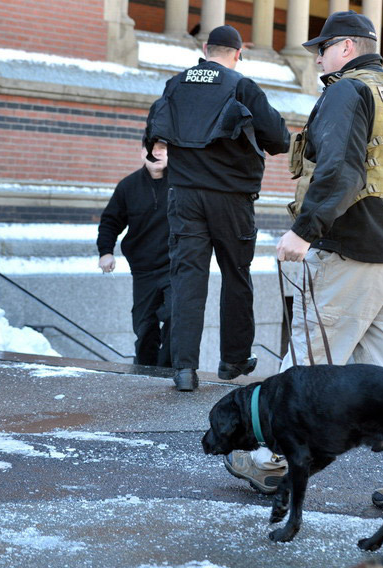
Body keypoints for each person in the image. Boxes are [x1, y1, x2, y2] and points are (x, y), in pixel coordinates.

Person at [222, 10, 383, 502]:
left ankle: (270, 461)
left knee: (310, 362)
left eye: (321, 48)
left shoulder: (346, 90)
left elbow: (340, 169)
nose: (317, 57)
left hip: (352, 251)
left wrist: (305, 229)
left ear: (345, 48)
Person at [144, 25, 290, 392]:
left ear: (205, 48)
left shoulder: (175, 84)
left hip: (184, 196)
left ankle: (184, 369)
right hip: (231, 199)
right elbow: (280, 140)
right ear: (238, 53)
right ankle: (233, 360)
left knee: (187, 279)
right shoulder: (241, 86)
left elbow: (156, 131)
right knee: (236, 276)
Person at [97, 141, 171, 367]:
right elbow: (110, 221)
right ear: (142, 154)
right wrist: (106, 252)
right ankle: (146, 372)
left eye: (163, 149)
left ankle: (168, 371)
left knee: (175, 317)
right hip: (143, 269)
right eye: (151, 149)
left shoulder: (182, 184)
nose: (156, 153)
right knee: (144, 326)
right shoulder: (128, 186)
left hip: (176, 265)